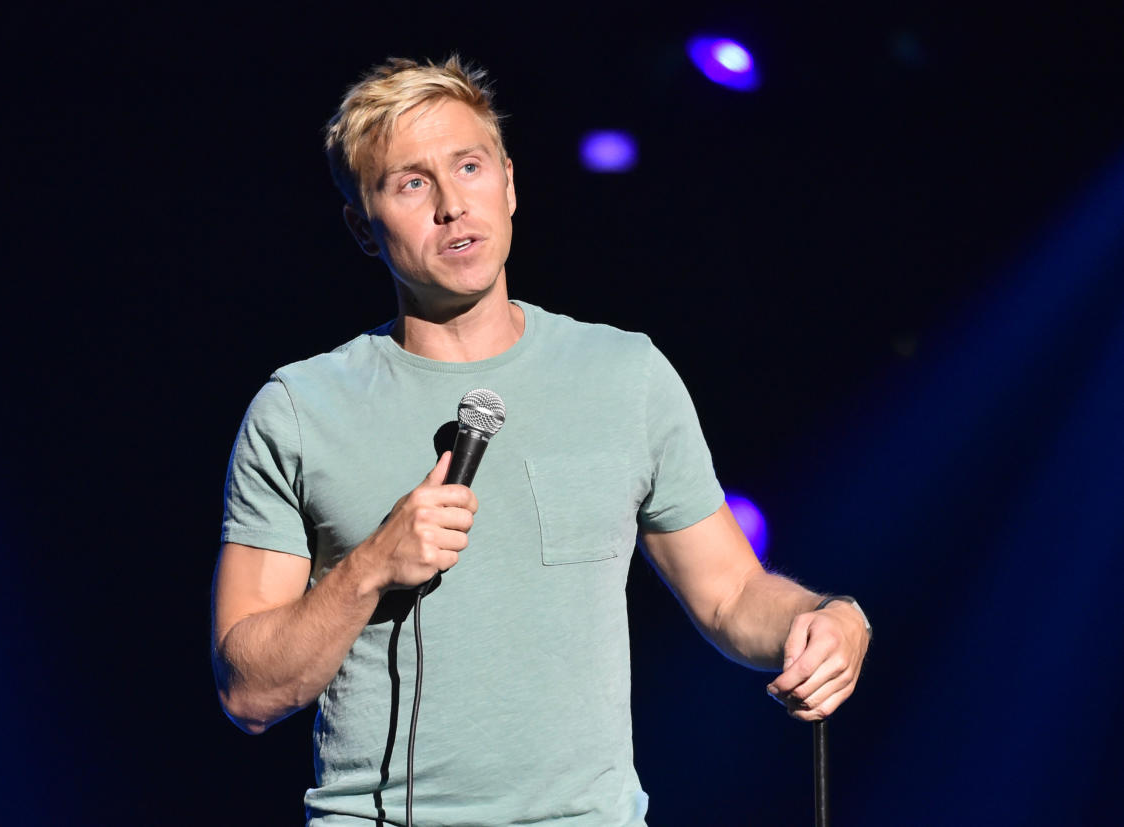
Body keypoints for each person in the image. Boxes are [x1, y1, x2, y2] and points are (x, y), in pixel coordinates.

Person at [211, 56, 871, 826]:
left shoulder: (625, 374)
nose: (453, 205)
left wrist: (827, 615)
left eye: (470, 166)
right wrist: (371, 566)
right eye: (412, 183)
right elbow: (248, 690)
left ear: (510, 184)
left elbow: (729, 593)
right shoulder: (300, 408)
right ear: (363, 225)